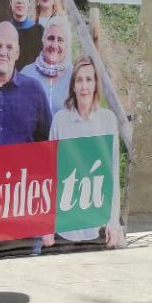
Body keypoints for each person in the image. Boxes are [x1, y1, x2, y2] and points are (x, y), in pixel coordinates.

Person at [45, 57, 123, 247]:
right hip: (65, 227)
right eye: (79, 80)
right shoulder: (60, 120)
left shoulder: (107, 120)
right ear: (73, 86)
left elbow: (112, 173)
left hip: (96, 226)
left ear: (96, 84)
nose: (84, 86)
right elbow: (49, 173)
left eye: (89, 79)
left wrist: (113, 222)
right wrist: (46, 225)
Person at [21, 17, 72, 115]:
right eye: (50, 38)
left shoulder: (75, 76)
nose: (54, 45)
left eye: (60, 40)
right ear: (43, 41)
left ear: (67, 45)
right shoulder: (27, 73)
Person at [5, 0, 43, 69]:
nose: (20, 0)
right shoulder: (4, 31)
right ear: (10, 1)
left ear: (29, 1)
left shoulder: (40, 32)